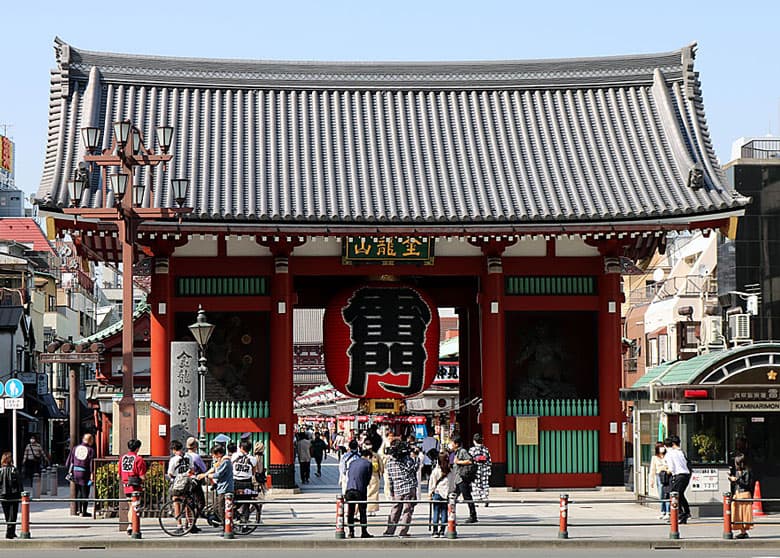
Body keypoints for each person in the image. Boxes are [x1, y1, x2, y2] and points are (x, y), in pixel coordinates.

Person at [382, 440, 419, 538]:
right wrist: (416, 458)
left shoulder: (390, 462)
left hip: (397, 488)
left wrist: (391, 491)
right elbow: (413, 469)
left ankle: (390, 531)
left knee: (395, 509)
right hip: (408, 487)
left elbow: (390, 478)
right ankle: (403, 531)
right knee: (407, 510)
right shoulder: (407, 460)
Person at [199, 444, 234, 531]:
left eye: (213, 454)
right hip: (221, 487)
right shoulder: (221, 461)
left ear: (218, 453)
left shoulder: (225, 461)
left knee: (221, 508)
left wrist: (208, 476)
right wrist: (205, 474)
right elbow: (214, 468)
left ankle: (227, 527)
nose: (212, 456)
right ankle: (224, 524)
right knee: (216, 507)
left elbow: (218, 474)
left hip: (225, 488)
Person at [118, 439, 147, 535]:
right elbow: (142, 475)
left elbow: (119, 474)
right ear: (138, 448)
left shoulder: (123, 458)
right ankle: (132, 526)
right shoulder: (138, 459)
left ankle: (130, 525)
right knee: (134, 506)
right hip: (135, 484)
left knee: (131, 505)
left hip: (126, 484)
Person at [167, 439, 195, 534]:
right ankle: (190, 523)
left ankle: (179, 525)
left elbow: (170, 473)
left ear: (174, 449)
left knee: (176, 503)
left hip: (178, 483)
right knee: (187, 503)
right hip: (187, 482)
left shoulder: (174, 459)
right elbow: (192, 470)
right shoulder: (189, 457)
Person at [345, 448, 374, 538]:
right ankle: (364, 532)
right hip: (360, 489)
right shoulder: (368, 464)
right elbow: (368, 478)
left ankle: (351, 532)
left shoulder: (352, 462)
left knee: (351, 511)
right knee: (362, 511)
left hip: (349, 489)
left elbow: (349, 474)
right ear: (368, 456)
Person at [65, 433, 96, 517]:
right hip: (84, 472)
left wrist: (68, 470)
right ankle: (84, 511)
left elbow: (69, 460)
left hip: (75, 471)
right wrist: (92, 473)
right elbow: (91, 463)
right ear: (89, 440)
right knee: (85, 491)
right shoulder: (90, 450)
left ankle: (79, 510)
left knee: (79, 491)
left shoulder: (75, 448)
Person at [450, 434, 477, 523]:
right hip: (458, 478)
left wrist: (459, 462)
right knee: (453, 497)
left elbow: (470, 460)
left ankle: (473, 515)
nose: (451, 444)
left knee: (467, 497)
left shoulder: (462, 451)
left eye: (452, 443)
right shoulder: (456, 452)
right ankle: (450, 515)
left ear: (457, 444)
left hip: (462, 478)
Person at [428, 451, 454, 538]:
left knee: (436, 512)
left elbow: (432, 483)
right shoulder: (450, 471)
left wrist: (430, 492)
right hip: (446, 494)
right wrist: (451, 492)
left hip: (437, 493)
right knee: (444, 513)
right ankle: (442, 531)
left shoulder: (435, 471)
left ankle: (435, 531)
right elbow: (452, 484)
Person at [665, 436, 691, 524]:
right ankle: (686, 513)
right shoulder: (681, 452)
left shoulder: (670, 454)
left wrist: (666, 471)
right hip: (686, 475)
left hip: (679, 475)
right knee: (680, 494)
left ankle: (679, 514)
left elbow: (671, 468)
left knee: (674, 495)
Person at [728, 453, 754, 539]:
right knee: (737, 514)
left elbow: (747, 484)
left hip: (744, 494)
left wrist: (736, 479)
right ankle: (742, 531)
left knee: (744, 514)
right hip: (737, 494)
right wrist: (732, 480)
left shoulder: (747, 471)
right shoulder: (736, 471)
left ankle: (744, 532)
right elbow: (737, 484)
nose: (735, 464)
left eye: (736, 462)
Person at [185, 437, 207, 529]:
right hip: (195, 481)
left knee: (188, 503)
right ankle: (193, 522)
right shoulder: (196, 456)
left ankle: (188, 523)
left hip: (185, 481)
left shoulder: (185, 455)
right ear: (196, 446)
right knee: (201, 503)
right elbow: (204, 469)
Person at [0, 451, 23, 539]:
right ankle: (10, 532)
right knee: (13, 515)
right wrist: (21, 493)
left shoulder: (0, 470)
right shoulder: (14, 470)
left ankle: (10, 531)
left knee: (7, 514)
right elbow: (19, 483)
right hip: (14, 495)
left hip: (3, 495)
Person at [469, 433, 492, 506]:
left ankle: (477, 499)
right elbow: (489, 461)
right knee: (484, 484)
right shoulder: (486, 449)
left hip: (475, 469)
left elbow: (470, 460)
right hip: (485, 468)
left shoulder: (472, 450)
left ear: (474, 441)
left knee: (476, 484)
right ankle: (485, 498)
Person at [649, 442, 670, 520]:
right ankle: (663, 511)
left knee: (667, 493)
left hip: (667, 475)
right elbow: (652, 470)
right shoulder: (654, 458)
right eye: (660, 447)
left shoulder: (668, 456)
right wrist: (651, 481)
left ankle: (668, 512)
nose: (662, 448)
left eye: (663, 447)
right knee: (661, 494)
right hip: (659, 476)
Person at [366, 444, 384, 516]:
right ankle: (372, 509)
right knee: (374, 493)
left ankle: (366, 509)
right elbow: (381, 466)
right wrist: (380, 474)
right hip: (374, 475)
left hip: (366, 475)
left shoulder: (363, 455)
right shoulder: (376, 456)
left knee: (366, 492)